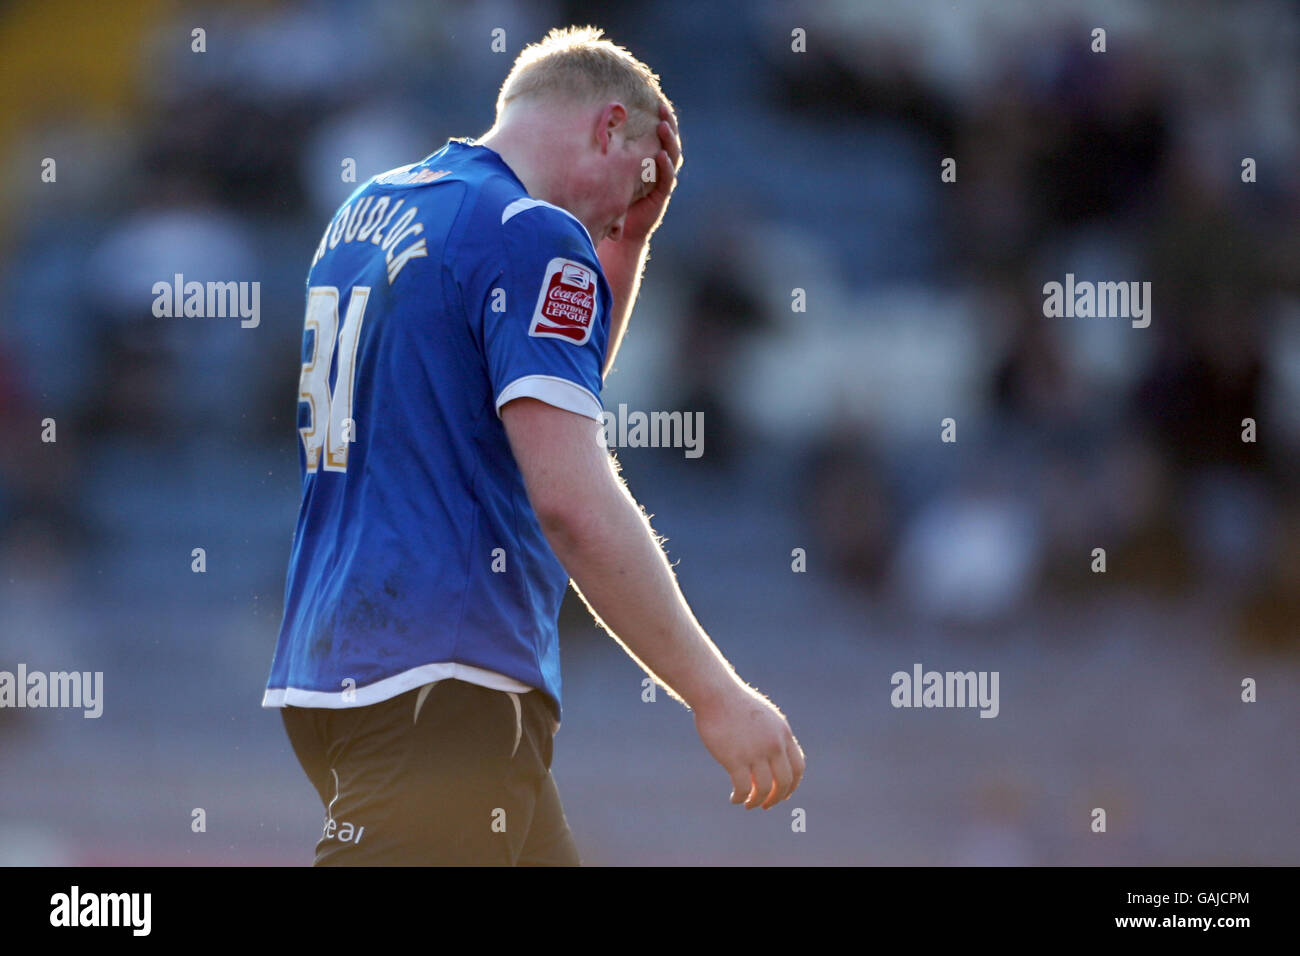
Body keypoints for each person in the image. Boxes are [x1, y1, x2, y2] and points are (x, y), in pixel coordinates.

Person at [262, 25, 805, 866]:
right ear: (608, 126)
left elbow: (546, 386)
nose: (625, 208)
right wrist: (715, 694)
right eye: (640, 175)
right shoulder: (528, 230)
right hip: (445, 673)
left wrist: (627, 245)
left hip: (334, 660)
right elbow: (569, 498)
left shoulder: (369, 210)